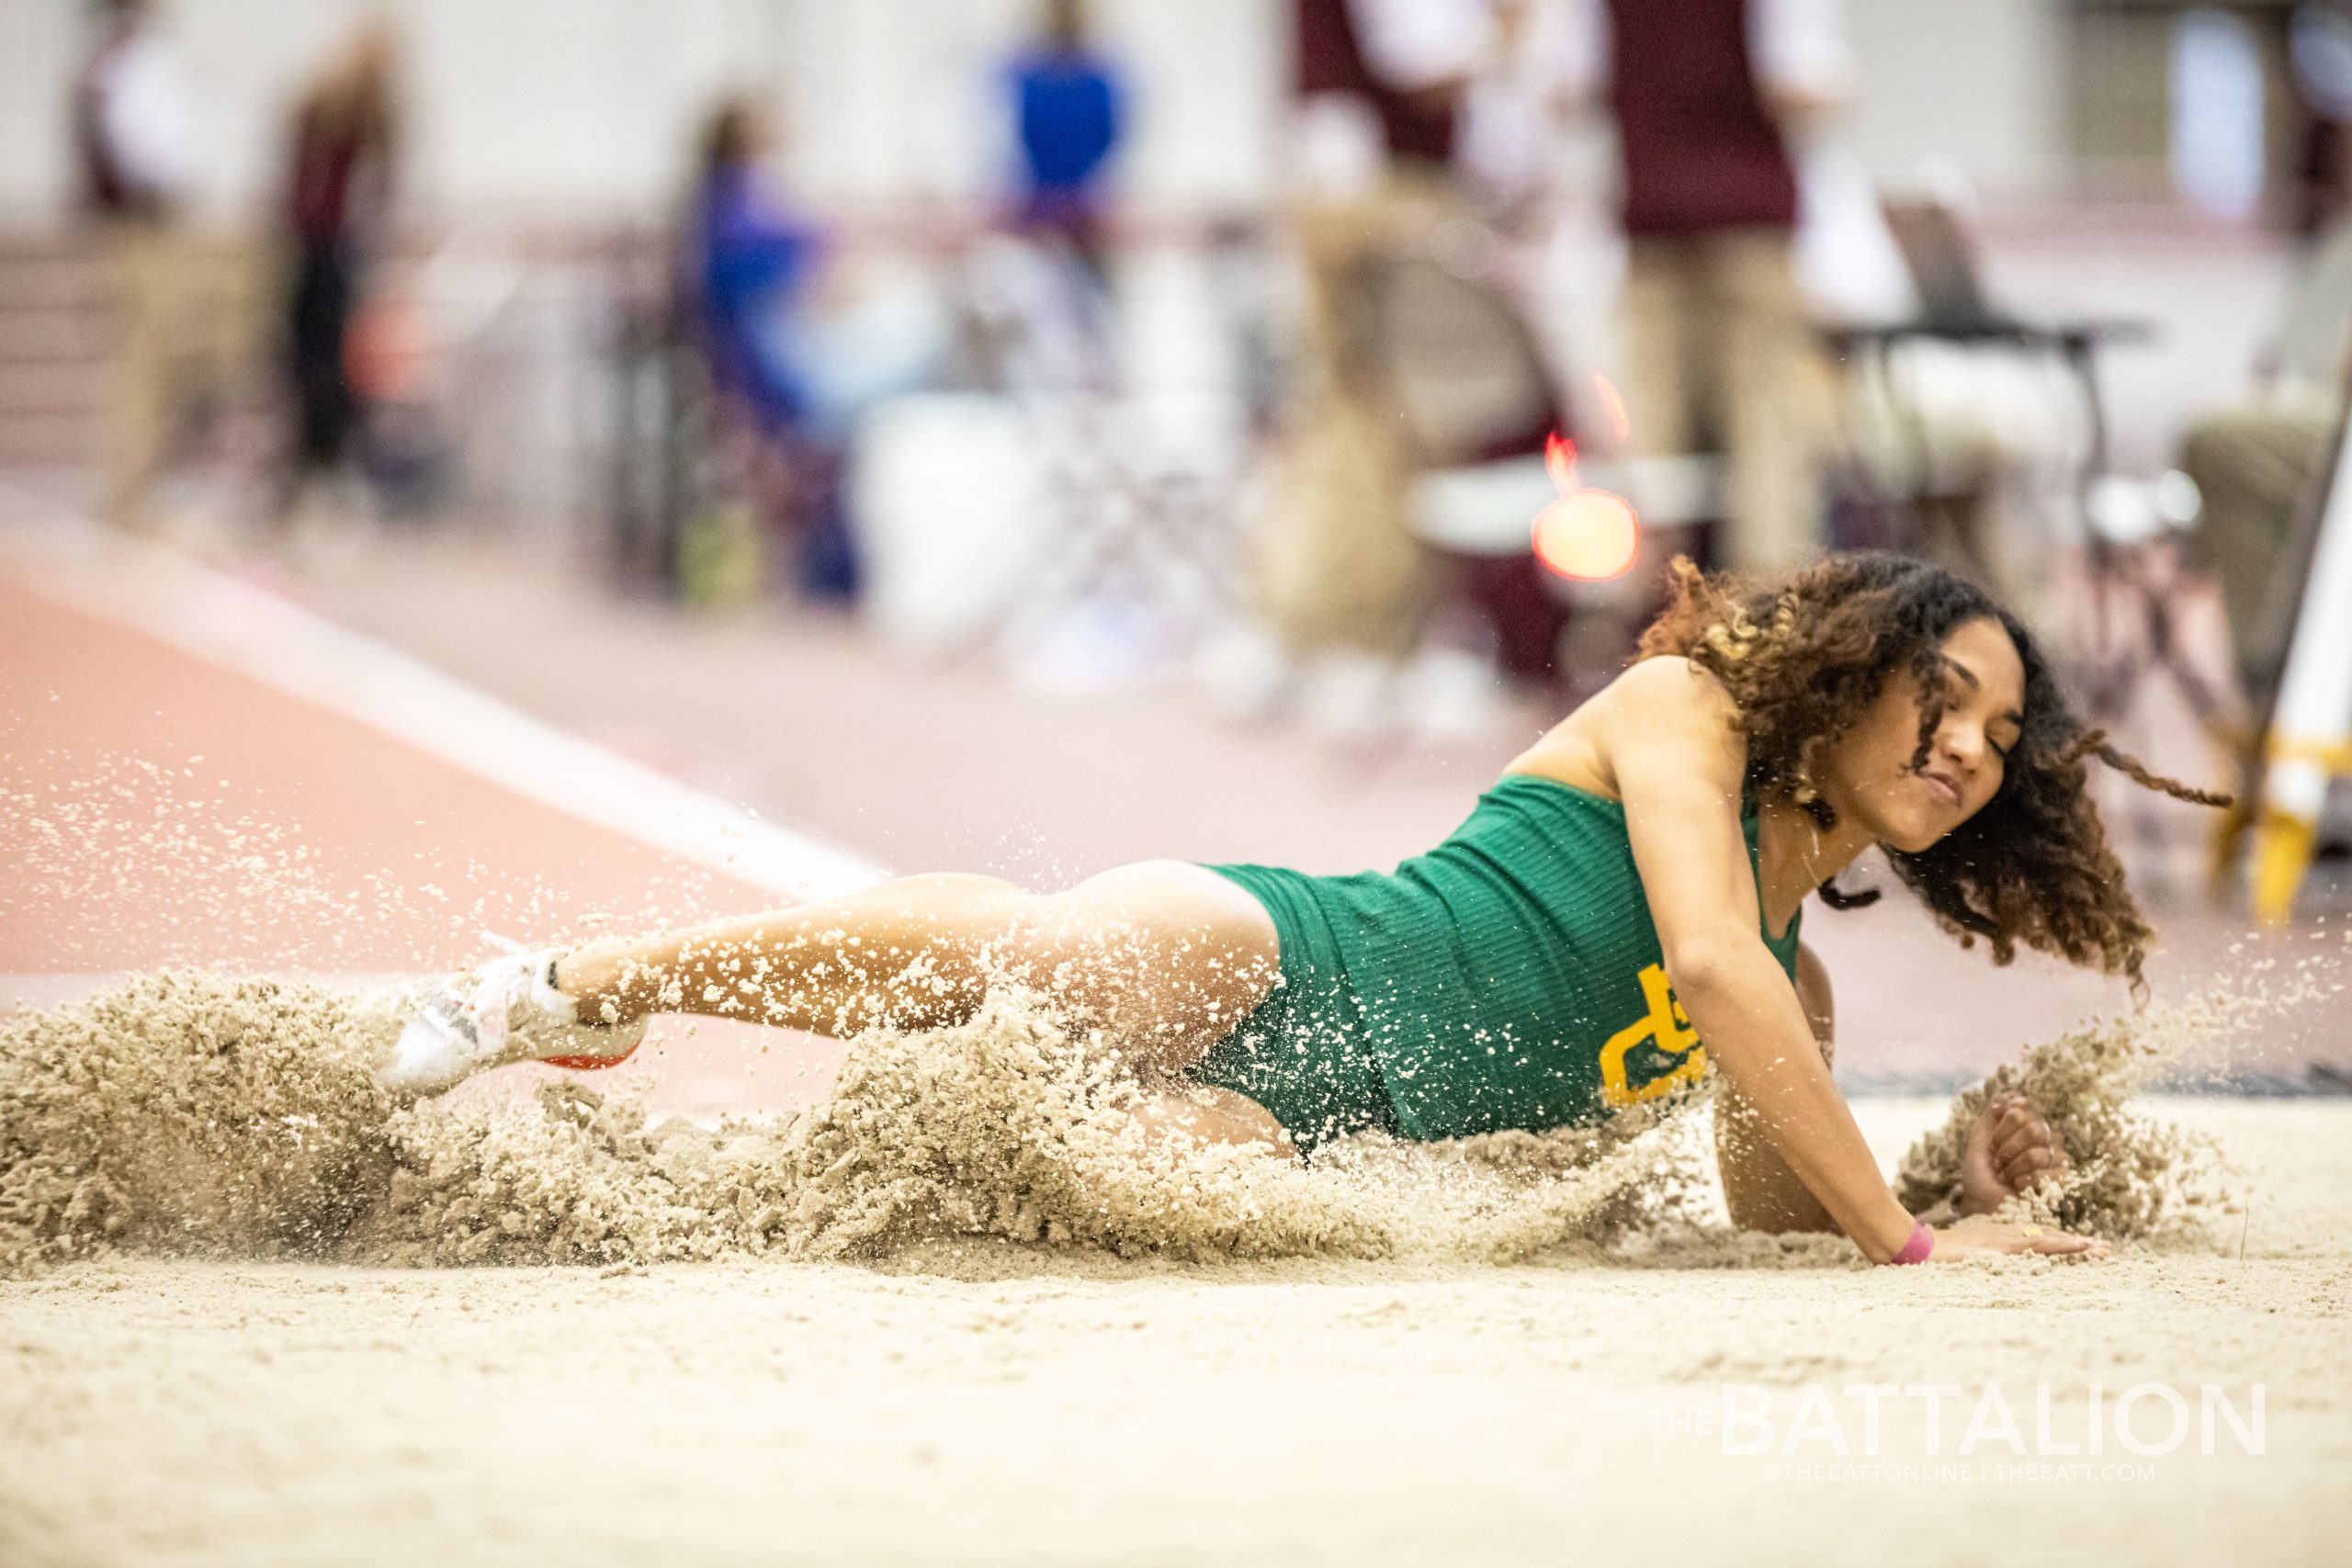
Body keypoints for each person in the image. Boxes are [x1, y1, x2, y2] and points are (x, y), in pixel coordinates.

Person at [383, 553, 2226, 1265]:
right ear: (1842, 672)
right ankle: (588, 975)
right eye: (1948, 698)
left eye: (2003, 738)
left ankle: (645, 1190)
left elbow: (1774, 1215)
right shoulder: (1684, 724)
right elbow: (1697, 958)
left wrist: (1933, 1201)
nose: (1975, 747)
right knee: (1063, 963)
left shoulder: (1792, 1002)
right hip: (1266, 944)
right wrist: (1915, 1259)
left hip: (1289, 1114)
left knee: (1121, 1185)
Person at [1560, 0, 1849, 571]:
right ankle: (1766, 614)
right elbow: (1795, 80)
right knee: (1768, 439)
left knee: (1654, 443)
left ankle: (1657, 611)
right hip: (1749, 228)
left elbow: (1571, 87)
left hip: (1650, 220)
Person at [72, 0, 198, 529]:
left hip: (141, 221)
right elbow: (142, 150)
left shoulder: (119, 64)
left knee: (148, 363)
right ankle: (130, 495)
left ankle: (134, 488)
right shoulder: (125, 66)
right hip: (138, 226)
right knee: (142, 363)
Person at [277, 23, 398, 522]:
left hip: (316, 246)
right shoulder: (340, 105)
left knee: (318, 364)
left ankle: (318, 466)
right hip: (322, 248)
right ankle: (316, 466)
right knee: (320, 365)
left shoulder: (334, 105)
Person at [1006, 0, 1126, 284]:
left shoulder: (1097, 81)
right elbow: (1015, 140)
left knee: (1089, 290)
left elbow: (1107, 138)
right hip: (1035, 207)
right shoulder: (1026, 79)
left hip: (1086, 208)